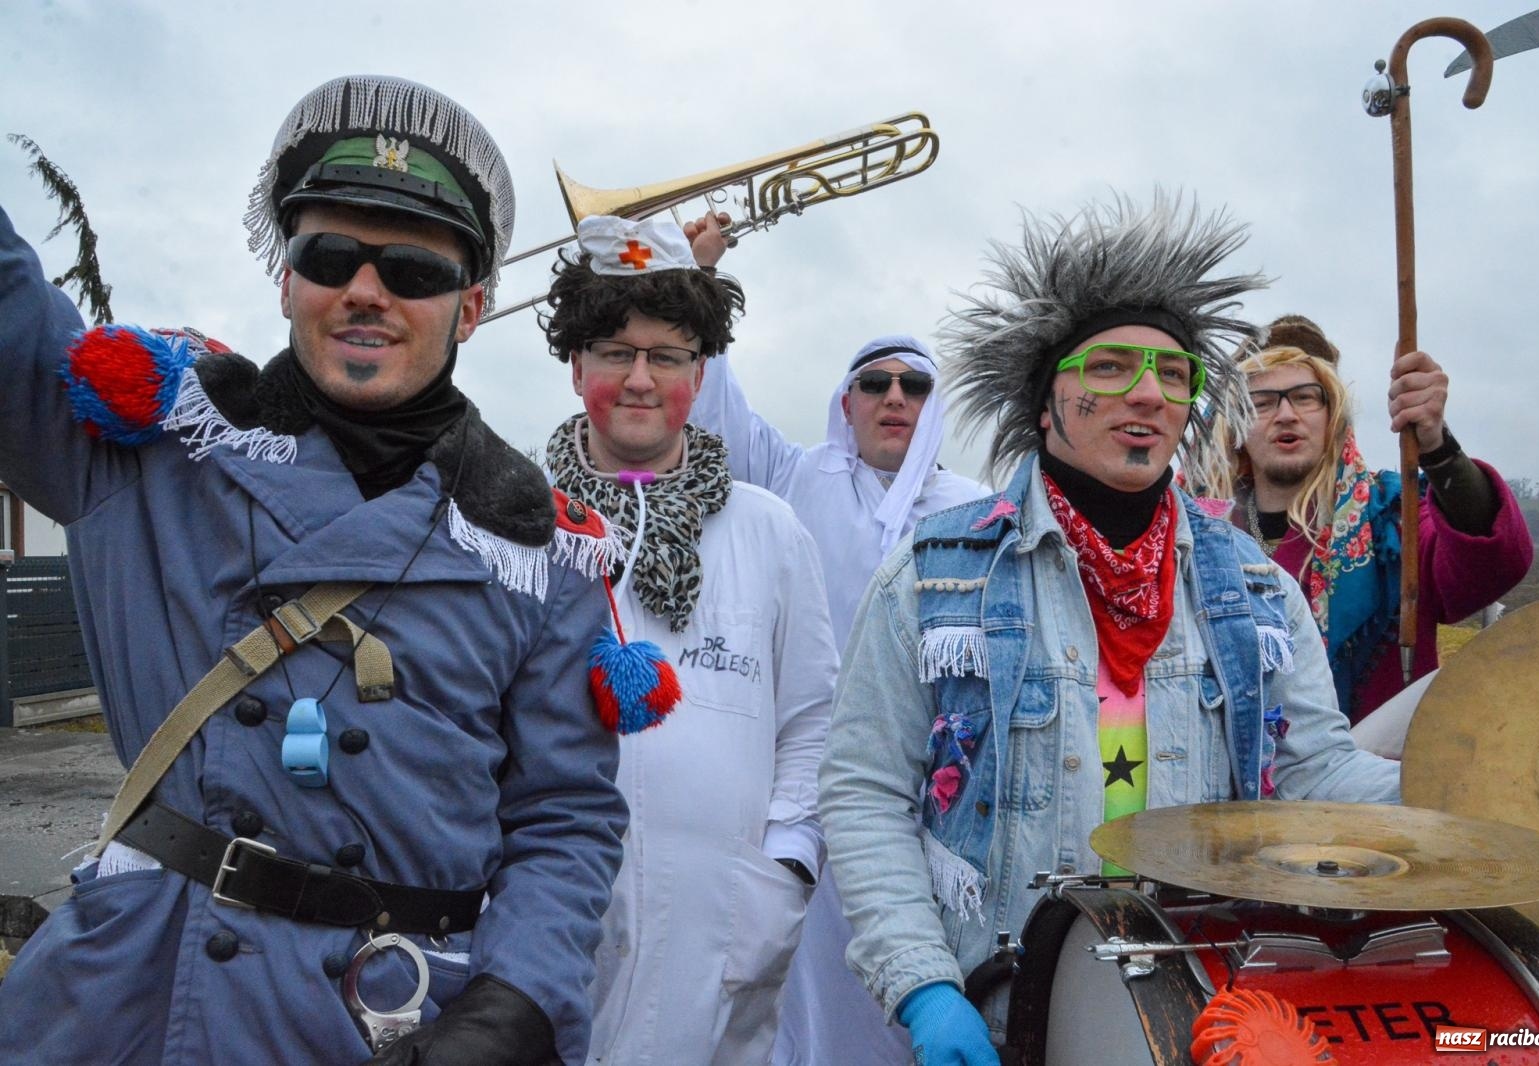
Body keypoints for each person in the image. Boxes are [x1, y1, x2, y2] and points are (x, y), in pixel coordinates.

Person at [0, 76, 628, 1065]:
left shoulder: (534, 550)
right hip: (139, 1000)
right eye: (329, 255)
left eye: (413, 270)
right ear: (286, 277)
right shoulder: (148, 446)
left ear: (469, 306)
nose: (365, 291)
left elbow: (566, 815)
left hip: (381, 1021)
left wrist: (519, 1001)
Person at [817, 195, 1402, 1064]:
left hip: (1212, 1010)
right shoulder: (935, 577)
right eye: (1112, 367)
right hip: (1002, 1007)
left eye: (1173, 376)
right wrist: (923, 986)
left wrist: (1488, 790)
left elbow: (1317, 773)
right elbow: (866, 793)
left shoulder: (1255, 590)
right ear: (1047, 402)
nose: (1148, 395)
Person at [685, 219, 988, 1066]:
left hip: (940, 784)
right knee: (809, 979)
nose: (894, 398)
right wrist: (699, 282)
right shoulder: (795, 475)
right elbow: (715, 409)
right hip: (815, 777)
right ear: (846, 402)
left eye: (914, 385)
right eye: (874, 383)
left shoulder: (978, 507)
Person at [539, 214, 837, 1066]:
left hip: (726, 921)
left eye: (666, 357)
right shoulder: (515, 522)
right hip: (550, 912)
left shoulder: (769, 529)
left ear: (699, 376)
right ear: (576, 368)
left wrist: (787, 867)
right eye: (615, 353)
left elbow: (814, 720)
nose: (639, 379)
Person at [1220, 314, 1532, 721]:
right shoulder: (1205, 534)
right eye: (1262, 402)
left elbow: (1493, 565)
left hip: (1378, 774)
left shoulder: (1393, 512)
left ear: (1334, 418)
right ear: (1237, 425)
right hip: (1239, 780)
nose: (1285, 414)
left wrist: (1436, 448)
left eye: (1305, 397)